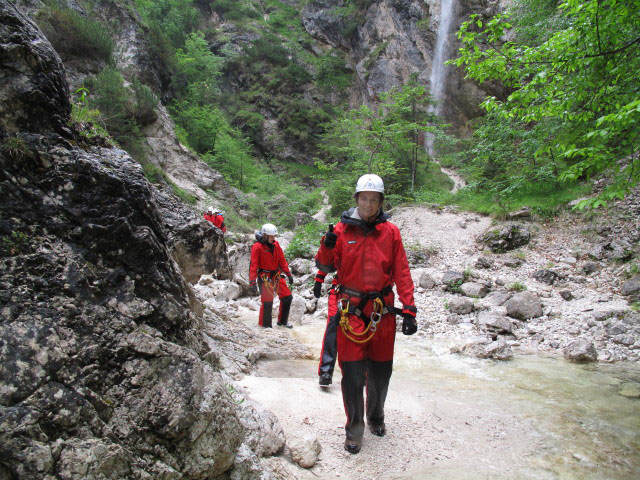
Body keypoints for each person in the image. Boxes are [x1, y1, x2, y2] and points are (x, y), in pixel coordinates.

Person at [314, 174, 418, 454]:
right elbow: (324, 267)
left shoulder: (391, 232)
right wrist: (327, 243)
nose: (368, 204)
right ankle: (355, 429)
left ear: (381, 201)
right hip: (351, 312)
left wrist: (409, 307)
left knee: (381, 373)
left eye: (374, 199)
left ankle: (376, 416)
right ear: (356, 199)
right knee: (352, 374)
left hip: (382, 312)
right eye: (364, 198)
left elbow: (402, 270)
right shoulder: (340, 230)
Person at [249, 223, 294, 328]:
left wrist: (288, 274)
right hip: (264, 275)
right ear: (265, 235)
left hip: (276, 274)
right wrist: (252, 282)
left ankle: (282, 322)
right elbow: (253, 265)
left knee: (287, 297)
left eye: (274, 236)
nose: (273, 238)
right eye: (271, 236)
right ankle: (265, 326)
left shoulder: (276, 245)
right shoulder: (257, 247)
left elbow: (282, 260)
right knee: (267, 302)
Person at [314, 270, 339, 387]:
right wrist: (319, 279)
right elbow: (328, 256)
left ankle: (360, 372)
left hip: (364, 294)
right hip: (340, 291)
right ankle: (326, 371)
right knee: (333, 326)